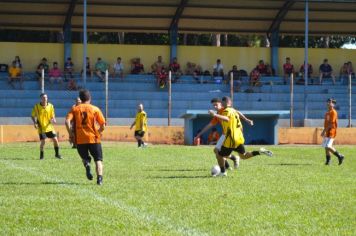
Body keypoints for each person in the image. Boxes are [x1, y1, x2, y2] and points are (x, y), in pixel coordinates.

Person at [213, 96, 273, 177]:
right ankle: (260, 151)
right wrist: (246, 119)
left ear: (223, 103)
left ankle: (223, 173)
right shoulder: (233, 110)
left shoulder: (226, 111)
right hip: (239, 138)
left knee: (219, 154)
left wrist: (214, 115)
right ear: (230, 103)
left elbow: (226, 119)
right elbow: (238, 113)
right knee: (243, 156)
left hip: (231, 139)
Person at [195, 98, 254, 170]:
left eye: (216, 105)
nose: (215, 107)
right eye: (213, 105)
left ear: (221, 104)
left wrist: (246, 119)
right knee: (216, 151)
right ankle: (233, 160)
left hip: (233, 134)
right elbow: (209, 125)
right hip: (225, 134)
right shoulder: (218, 114)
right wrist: (199, 135)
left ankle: (227, 167)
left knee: (220, 152)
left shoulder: (225, 110)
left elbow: (237, 112)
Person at [65, 89, 106, 185]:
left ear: (81, 98)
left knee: (85, 158)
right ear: (89, 98)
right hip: (94, 138)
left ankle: (87, 164)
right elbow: (103, 125)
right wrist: (98, 132)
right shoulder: (95, 109)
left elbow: (67, 121)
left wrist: (71, 134)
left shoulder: (75, 109)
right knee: (98, 160)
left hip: (80, 139)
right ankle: (99, 179)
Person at [31, 93, 62, 160]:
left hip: (49, 127)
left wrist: (53, 119)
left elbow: (52, 115)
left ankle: (57, 154)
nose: (45, 99)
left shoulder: (51, 106)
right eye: (43, 97)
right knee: (43, 142)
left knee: (55, 140)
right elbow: (32, 115)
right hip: (41, 128)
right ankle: (41, 156)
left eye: (46, 97)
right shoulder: (36, 106)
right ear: (41, 99)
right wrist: (35, 123)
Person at [321, 98, 345, 165]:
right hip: (327, 131)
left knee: (328, 146)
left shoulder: (333, 112)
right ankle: (328, 161)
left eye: (330, 102)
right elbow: (326, 123)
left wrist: (324, 131)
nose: (328, 103)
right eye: (328, 102)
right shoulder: (327, 113)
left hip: (332, 130)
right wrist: (324, 130)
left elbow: (331, 123)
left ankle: (340, 156)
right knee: (326, 147)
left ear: (333, 104)